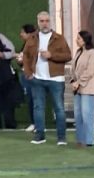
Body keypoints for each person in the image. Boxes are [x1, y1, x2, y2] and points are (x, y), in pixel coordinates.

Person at [21, 11, 72, 145]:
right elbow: (25, 56)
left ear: (50, 22)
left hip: (56, 79)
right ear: (38, 22)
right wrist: (28, 73)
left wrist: (51, 55)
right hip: (37, 79)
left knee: (59, 109)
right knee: (38, 108)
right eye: (42, 21)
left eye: (47, 21)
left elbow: (68, 56)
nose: (45, 23)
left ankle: (61, 137)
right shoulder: (32, 38)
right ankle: (40, 135)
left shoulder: (59, 38)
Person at [70, 31, 94, 148]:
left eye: (79, 38)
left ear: (84, 39)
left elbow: (90, 70)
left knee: (87, 115)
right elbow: (74, 68)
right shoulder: (78, 52)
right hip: (77, 89)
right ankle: (80, 139)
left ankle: (89, 140)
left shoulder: (93, 52)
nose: (76, 40)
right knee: (78, 115)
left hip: (88, 87)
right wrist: (73, 81)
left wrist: (79, 82)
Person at [16, 24, 36, 132]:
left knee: (35, 100)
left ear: (29, 34)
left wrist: (22, 60)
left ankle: (38, 123)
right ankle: (33, 123)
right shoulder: (25, 45)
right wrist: (20, 60)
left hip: (33, 76)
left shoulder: (35, 44)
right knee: (30, 99)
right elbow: (22, 61)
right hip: (25, 75)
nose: (21, 34)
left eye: (23, 32)